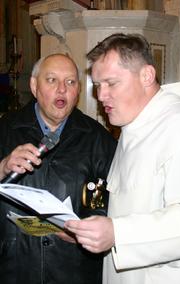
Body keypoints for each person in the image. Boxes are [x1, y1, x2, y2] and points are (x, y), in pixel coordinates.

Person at [60, 33, 180, 284]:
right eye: (97, 85)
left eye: (111, 83)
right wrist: (94, 230)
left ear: (146, 76)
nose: (101, 95)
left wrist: (117, 233)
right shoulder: (135, 126)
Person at [0, 53, 117, 284]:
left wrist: (89, 230)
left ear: (78, 91)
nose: (62, 89)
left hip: (74, 270)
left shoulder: (99, 140)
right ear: (34, 86)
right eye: (52, 80)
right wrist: (2, 167)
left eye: (70, 82)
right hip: (13, 268)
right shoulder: (5, 130)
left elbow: (117, 201)